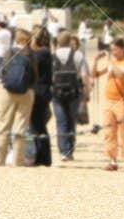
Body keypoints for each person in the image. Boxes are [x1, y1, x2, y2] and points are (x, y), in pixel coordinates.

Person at [0, 28, 36, 167]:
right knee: (20, 128)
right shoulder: (30, 55)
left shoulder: (9, 52)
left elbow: (3, 71)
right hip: (25, 92)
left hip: (7, 92)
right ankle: (17, 161)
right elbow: (35, 75)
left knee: (4, 126)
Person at [94, 38, 124, 171]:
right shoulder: (113, 63)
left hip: (121, 100)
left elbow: (122, 74)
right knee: (109, 131)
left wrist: (110, 60)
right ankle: (112, 159)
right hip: (108, 99)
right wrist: (95, 61)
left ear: (123, 48)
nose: (113, 52)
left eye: (115, 49)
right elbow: (95, 74)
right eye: (111, 49)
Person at [49, 30, 85, 161]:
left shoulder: (53, 56)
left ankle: (63, 150)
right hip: (74, 91)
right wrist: (85, 91)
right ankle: (70, 149)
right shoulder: (78, 55)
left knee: (61, 121)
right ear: (70, 41)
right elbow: (84, 74)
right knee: (72, 121)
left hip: (57, 92)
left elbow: (50, 75)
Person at [28, 26, 54, 167]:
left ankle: (42, 156)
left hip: (40, 92)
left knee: (38, 125)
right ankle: (42, 156)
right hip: (41, 91)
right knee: (38, 125)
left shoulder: (41, 53)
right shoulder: (44, 52)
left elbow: (30, 65)